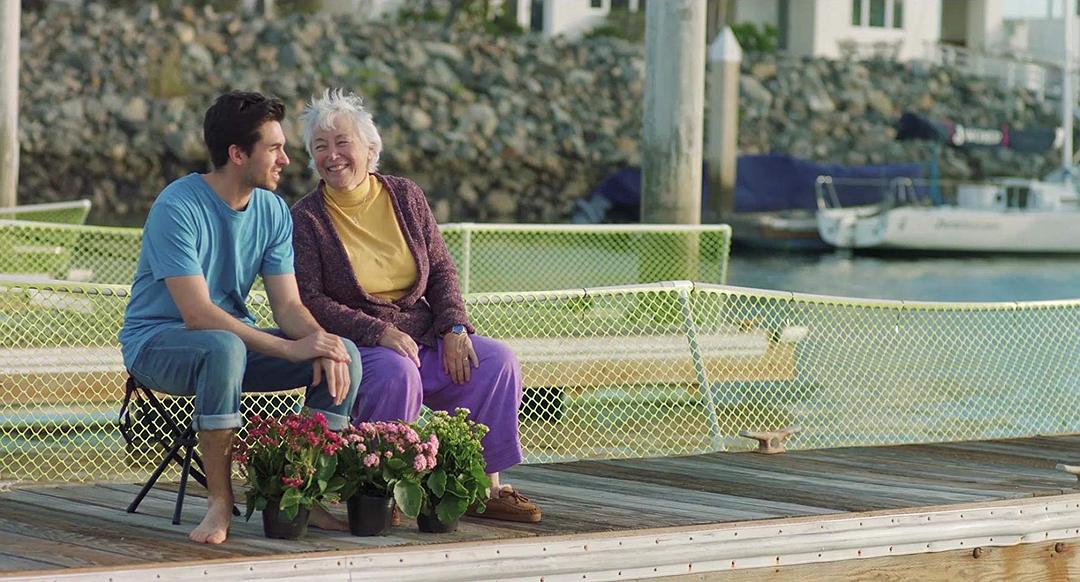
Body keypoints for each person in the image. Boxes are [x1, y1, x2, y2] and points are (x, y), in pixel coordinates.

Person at [119, 91, 362, 544]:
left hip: (230, 345)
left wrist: (320, 342)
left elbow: (288, 307)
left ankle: (300, 494)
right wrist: (289, 348)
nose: (286, 160)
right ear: (237, 154)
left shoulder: (272, 211)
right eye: (274, 148)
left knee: (344, 352)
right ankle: (219, 502)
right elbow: (197, 314)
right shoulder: (177, 207)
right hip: (158, 345)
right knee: (224, 346)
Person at [291, 89, 541, 523]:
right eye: (320, 146)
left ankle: (484, 488)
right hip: (359, 343)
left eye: (343, 143)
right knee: (397, 372)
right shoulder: (305, 218)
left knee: (496, 361)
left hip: (421, 331)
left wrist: (454, 328)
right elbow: (310, 300)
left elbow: (441, 270)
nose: (332, 155)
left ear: (370, 149)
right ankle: (379, 491)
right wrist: (378, 332)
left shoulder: (406, 196)